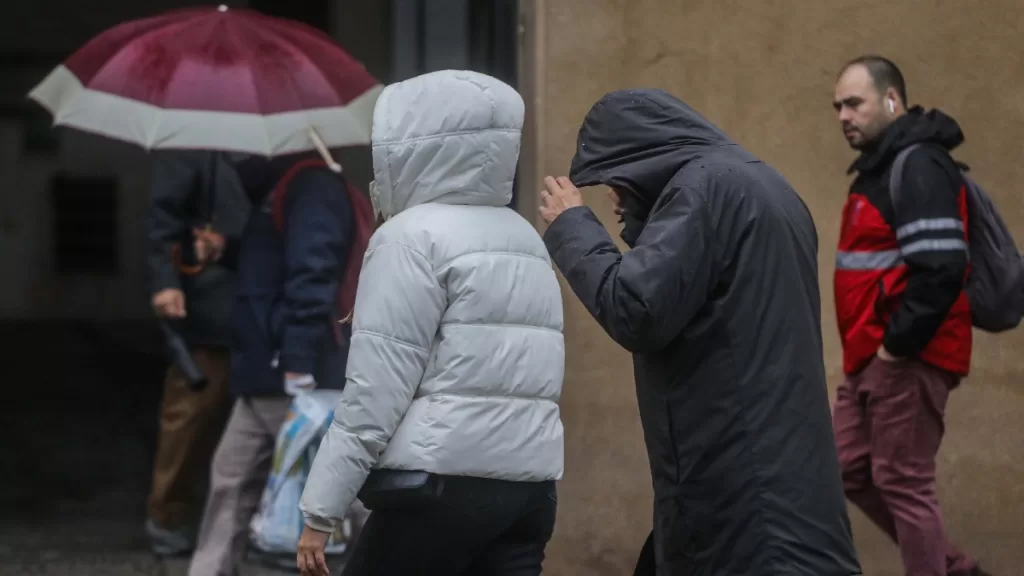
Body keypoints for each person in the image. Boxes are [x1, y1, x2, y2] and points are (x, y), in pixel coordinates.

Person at [539, 89, 862, 576]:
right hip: (778, 488)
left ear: (643, 157)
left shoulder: (703, 189)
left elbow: (636, 307)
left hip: (740, 494)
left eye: (616, 178)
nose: (613, 196)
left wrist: (572, 225)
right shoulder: (760, 184)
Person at [295, 70, 565, 576]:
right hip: (529, 490)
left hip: (438, 486)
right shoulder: (525, 236)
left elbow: (374, 394)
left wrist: (320, 510)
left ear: (406, 147)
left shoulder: (410, 238)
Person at [831, 55, 991, 576]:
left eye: (854, 103)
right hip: (869, 358)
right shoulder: (879, 169)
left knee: (902, 480)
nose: (843, 116)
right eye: (837, 107)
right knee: (845, 468)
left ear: (892, 100)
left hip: (906, 355)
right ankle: (953, 569)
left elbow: (942, 268)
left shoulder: (918, 164)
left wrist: (895, 347)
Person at [185, 150, 362, 576]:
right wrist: (228, 249)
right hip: (270, 372)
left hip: (294, 375)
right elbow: (277, 258)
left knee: (340, 496)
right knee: (234, 479)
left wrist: (297, 362)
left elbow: (313, 272)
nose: (234, 157)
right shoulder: (286, 189)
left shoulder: (312, 187)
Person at [144, 150, 248, 556]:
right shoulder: (192, 141)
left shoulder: (278, 137)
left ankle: (257, 520)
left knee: (263, 423)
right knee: (190, 415)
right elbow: (162, 218)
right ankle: (167, 516)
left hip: (263, 302)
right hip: (210, 305)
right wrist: (164, 281)